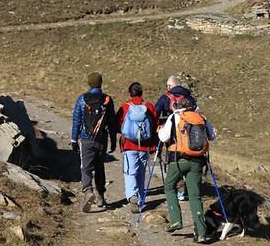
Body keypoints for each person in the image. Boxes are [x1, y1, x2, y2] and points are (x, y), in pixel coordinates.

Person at [158, 97, 217, 244]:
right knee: (195, 195)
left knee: (169, 187)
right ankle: (201, 233)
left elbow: (164, 137)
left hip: (179, 159)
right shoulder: (201, 117)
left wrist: (160, 130)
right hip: (197, 161)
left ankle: (176, 220)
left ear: (178, 106)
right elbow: (212, 136)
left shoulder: (175, 117)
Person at [71, 72, 116, 211]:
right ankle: (101, 196)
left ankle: (87, 191)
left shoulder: (82, 99)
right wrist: (113, 139)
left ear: (89, 83)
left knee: (85, 167)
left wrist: (74, 138)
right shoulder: (107, 100)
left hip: (86, 138)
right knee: (99, 166)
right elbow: (112, 121)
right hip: (102, 138)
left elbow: (77, 120)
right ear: (101, 83)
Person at [116, 82, 159, 213]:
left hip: (129, 145)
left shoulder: (125, 107)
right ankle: (140, 199)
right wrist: (154, 146)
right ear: (141, 93)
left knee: (130, 172)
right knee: (141, 173)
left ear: (129, 93)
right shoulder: (149, 107)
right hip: (145, 146)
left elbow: (118, 126)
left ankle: (132, 196)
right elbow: (155, 126)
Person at [155, 75, 198, 201]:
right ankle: (190, 187)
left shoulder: (165, 98)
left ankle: (179, 189)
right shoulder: (189, 97)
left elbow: (156, 112)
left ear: (169, 86)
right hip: (189, 134)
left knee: (174, 159)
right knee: (189, 156)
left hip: (172, 133)